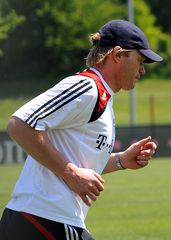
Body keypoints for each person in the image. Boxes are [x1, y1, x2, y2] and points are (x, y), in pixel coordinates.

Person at [0, 19, 162, 240]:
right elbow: (19, 124)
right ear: (117, 54)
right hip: (41, 218)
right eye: (140, 60)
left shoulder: (103, 97)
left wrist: (122, 160)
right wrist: (71, 173)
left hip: (49, 220)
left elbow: (78, 157)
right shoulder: (88, 87)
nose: (142, 69)